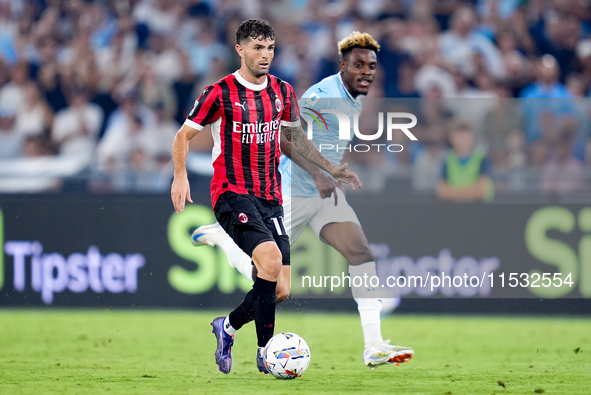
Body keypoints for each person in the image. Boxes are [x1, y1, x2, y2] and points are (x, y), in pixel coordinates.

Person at [192, 31, 414, 369]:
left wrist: (332, 172)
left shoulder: (354, 98)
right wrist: (317, 174)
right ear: (343, 66)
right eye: (359, 65)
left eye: (371, 66)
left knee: (360, 252)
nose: (367, 72)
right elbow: (284, 135)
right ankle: (224, 239)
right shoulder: (323, 96)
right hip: (291, 190)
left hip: (324, 194)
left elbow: (324, 142)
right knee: (273, 282)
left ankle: (374, 346)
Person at [170, 19, 361, 375]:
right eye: (258, 48)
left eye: (270, 48)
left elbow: (292, 141)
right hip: (232, 192)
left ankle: (226, 327)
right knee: (270, 262)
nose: (266, 55)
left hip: (270, 196)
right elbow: (183, 136)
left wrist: (325, 169)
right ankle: (266, 351)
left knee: (280, 289)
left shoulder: (283, 92)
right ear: (240, 50)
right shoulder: (220, 92)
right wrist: (180, 176)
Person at [436, 119, 494, 202]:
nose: (462, 136)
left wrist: (452, 193)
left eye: (465, 132)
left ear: (472, 136)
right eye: (458, 132)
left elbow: (482, 190)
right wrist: (471, 192)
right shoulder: (447, 160)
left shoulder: (482, 158)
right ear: (451, 137)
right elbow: (442, 191)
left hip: (479, 210)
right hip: (455, 211)